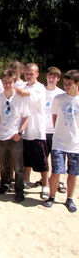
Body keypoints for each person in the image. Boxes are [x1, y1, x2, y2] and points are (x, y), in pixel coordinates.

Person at [43, 69, 79, 213]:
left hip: (75, 144)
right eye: (65, 83)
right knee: (56, 171)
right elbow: (55, 119)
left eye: (70, 84)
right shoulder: (58, 99)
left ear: (77, 84)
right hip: (59, 141)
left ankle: (69, 199)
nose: (66, 86)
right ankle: (51, 196)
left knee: (73, 173)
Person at [0, 70, 30, 202]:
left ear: (14, 82)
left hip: (15, 137)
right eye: (5, 82)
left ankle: (19, 190)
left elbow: (26, 117)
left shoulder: (20, 98)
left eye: (10, 82)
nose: (7, 85)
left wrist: (20, 132)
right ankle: (4, 185)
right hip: (1, 137)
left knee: (19, 167)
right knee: (3, 165)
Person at [15, 63, 49, 199]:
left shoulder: (40, 88)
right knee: (26, 158)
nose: (28, 76)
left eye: (31, 73)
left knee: (42, 160)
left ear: (37, 74)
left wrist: (11, 86)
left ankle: (45, 185)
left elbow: (23, 93)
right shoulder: (22, 85)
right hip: (25, 130)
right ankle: (26, 180)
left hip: (37, 130)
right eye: (26, 73)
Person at [45, 67, 66, 193]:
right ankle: (46, 181)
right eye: (49, 76)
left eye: (54, 77)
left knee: (57, 159)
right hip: (42, 131)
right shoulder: (41, 90)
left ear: (58, 79)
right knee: (43, 158)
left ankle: (58, 180)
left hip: (56, 131)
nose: (51, 79)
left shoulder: (61, 94)